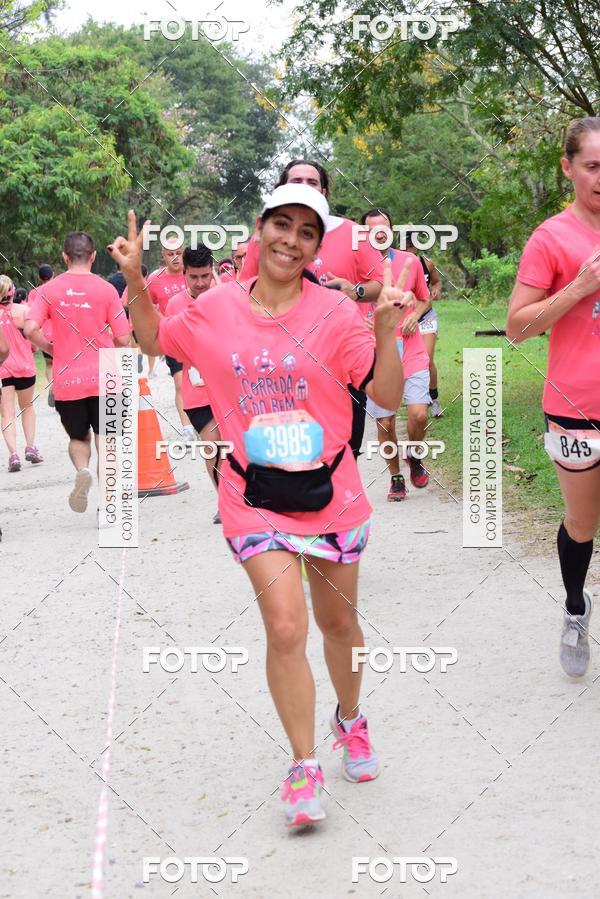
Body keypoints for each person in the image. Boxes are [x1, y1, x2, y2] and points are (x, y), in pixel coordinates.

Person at [110, 186, 413, 828]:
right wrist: (136, 277)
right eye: (282, 224)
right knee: (284, 626)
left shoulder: (335, 313)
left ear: (316, 244)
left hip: (331, 495)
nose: (291, 240)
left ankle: (350, 720)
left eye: (307, 232)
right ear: (260, 228)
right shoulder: (214, 306)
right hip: (254, 496)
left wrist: (386, 331)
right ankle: (303, 766)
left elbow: (384, 393)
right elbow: (156, 341)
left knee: (338, 627)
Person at [506, 116, 600, 677]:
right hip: (576, 404)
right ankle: (574, 607)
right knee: (583, 522)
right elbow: (517, 326)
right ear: (568, 168)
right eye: (593, 166)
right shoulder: (552, 238)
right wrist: (581, 287)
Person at [240, 159, 386, 458]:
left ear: (325, 191)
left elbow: (381, 284)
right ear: (282, 188)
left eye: (312, 182)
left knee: (345, 450)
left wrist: (353, 290)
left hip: (343, 361)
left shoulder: (352, 233)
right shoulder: (265, 237)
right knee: (285, 455)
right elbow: (244, 291)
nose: (304, 187)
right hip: (281, 364)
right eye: (296, 181)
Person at [25, 232, 130, 513]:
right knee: (108, 441)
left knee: (77, 439)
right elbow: (123, 339)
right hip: (106, 378)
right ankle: (107, 505)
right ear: (94, 256)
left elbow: (29, 328)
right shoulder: (107, 290)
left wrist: (49, 347)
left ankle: (83, 470)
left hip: (68, 380)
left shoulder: (49, 290)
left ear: (65, 257)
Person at [361, 209, 432, 499]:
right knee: (386, 421)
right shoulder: (356, 268)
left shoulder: (410, 261)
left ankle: (414, 456)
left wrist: (416, 313)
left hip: (411, 346)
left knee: (417, 414)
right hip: (377, 353)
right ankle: (396, 478)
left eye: (384, 227)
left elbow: (425, 299)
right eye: (372, 229)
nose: (379, 233)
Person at [164, 245, 221, 522]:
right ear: (184, 273)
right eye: (194, 277)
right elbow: (171, 346)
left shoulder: (228, 297)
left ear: (213, 273)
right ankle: (225, 502)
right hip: (197, 391)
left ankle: (243, 500)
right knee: (212, 447)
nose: (200, 283)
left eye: (205, 276)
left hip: (231, 389)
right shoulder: (175, 305)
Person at [0, 276, 43, 471]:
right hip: (25, 367)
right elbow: (35, 341)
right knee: (27, 407)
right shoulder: (25, 312)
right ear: (12, 291)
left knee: (7, 414)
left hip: (3, 370)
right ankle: (30, 447)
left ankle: (13, 455)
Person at [404, 231, 443, 417]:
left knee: (426, 359)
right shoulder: (394, 264)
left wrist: (436, 290)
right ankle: (413, 396)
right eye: (406, 246)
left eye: (412, 246)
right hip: (404, 319)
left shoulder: (427, 263)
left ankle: (434, 399)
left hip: (426, 317)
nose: (409, 250)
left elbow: (436, 282)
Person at [28, 263, 55, 406]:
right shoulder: (59, 290)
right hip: (60, 333)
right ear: (53, 275)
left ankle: (53, 385)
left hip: (43, 334)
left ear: (39, 277)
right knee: (63, 363)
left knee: (49, 364)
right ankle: (60, 389)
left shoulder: (34, 293)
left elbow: (30, 312)